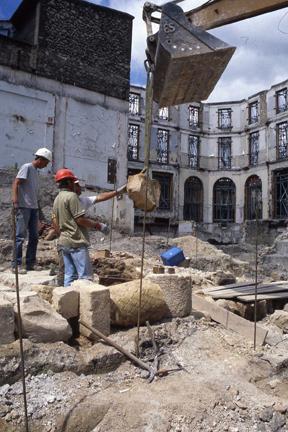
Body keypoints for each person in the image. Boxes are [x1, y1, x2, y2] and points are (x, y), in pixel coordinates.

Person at [52, 169, 126, 287]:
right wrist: (98, 225)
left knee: (70, 275)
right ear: (70, 182)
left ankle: (67, 300)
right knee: (85, 277)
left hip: (64, 242)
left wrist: (117, 192)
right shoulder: (72, 197)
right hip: (75, 242)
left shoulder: (58, 198)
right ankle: (85, 303)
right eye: (76, 183)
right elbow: (80, 220)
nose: (79, 187)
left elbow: (54, 220)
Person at [12, 148, 53, 273]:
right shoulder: (27, 167)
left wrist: (39, 211)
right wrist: (15, 201)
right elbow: (16, 183)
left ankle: (30, 263)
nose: (46, 165)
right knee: (20, 236)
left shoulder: (35, 172)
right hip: (24, 207)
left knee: (34, 237)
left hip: (33, 208)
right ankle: (16, 265)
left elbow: (33, 192)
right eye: (46, 162)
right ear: (41, 159)